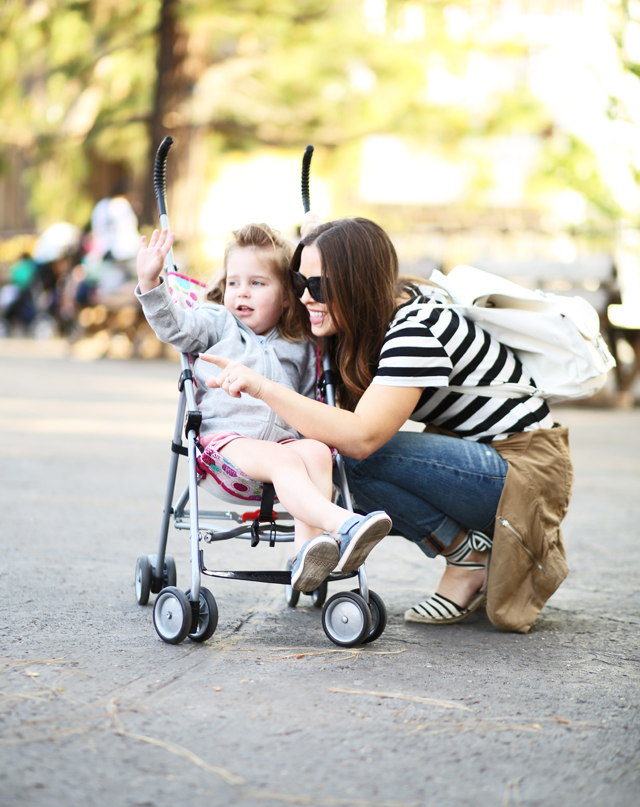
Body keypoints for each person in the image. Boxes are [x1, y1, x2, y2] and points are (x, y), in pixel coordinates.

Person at [203, 215, 574, 633]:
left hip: (525, 470)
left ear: (357, 282)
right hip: (485, 460)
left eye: (319, 286)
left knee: (350, 457)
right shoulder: (377, 316)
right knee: (334, 467)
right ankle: (468, 556)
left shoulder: (415, 329)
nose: (306, 298)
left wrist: (263, 387)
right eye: (299, 284)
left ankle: (468, 557)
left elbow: (362, 437)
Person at [136, 221, 392, 594]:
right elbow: (174, 326)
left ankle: (306, 554)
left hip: (282, 448)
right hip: (225, 448)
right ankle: (344, 524)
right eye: (234, 283)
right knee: (285, 460)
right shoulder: (216, 324)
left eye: (257, 283)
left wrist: (315, 241)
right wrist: (149, 284)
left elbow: (309, 407)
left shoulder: (301, 344)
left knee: (319, 452)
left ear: (288, 296)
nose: (242, 293)